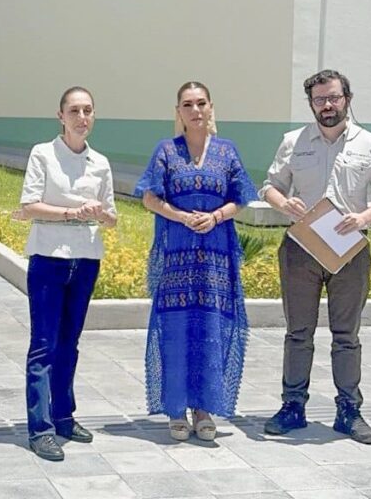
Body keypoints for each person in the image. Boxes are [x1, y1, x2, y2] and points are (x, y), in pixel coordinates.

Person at [260, 69, 371, 444]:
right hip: (301, 250)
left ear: (347, 99)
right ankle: (292, 406)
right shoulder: (294, 141)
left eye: (334, 98)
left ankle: (349, 411)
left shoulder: (370, 144)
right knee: (298, 333)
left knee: (346, 336)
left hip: (350, 251)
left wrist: (363, 217)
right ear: (311, 104)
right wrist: (282, 202)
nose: (327, 105)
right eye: (320, 99)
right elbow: (270, 186)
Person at [133, 81, 257, 442]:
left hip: (216, 259)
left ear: (211, 107)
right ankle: (176, 408)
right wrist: (183, 217)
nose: (195, 110)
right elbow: (149, 198)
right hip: (177, 257)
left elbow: (242, 197)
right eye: (187, 104)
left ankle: (203, 408)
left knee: (210, 329)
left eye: (201, 103)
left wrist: (216, 216)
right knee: (175, 330)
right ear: (179, 112)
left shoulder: (227, 151)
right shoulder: (166, 151)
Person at [13, 86, 117, 461]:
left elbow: (112, 214)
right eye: (74, 110)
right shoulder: (43, 154)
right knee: (43, 344)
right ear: (60, 116)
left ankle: (63, 415)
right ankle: (39, 428)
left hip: (86, 259)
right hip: (49, 257)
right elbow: (29, 205)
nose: (82, 117)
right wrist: (73, 213)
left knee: (69, 344)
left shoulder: (100, 162)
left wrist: (102, 216)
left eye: (88, 110)